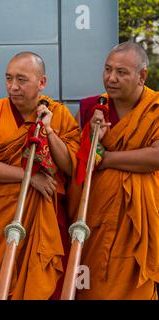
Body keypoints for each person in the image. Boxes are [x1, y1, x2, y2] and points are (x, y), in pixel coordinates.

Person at [0, 52, 80, 299]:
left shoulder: (60, 115)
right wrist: (28, 177)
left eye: (22, 80)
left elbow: (71, 166)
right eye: (8, 79)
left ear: (42, 82)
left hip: (44, 221)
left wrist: (49, 131)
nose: (13, 87)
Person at [75, 41, 159, 300]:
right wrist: (93, 137)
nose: (111, 78)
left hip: (140, 222)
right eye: (107, 69)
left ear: (141, 76)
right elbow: (80, 161)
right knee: (90, 285)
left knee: (137, 286)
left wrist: (106, 158)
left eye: (121, 72)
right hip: (95, 216)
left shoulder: (155, 108)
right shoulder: (92, 108)